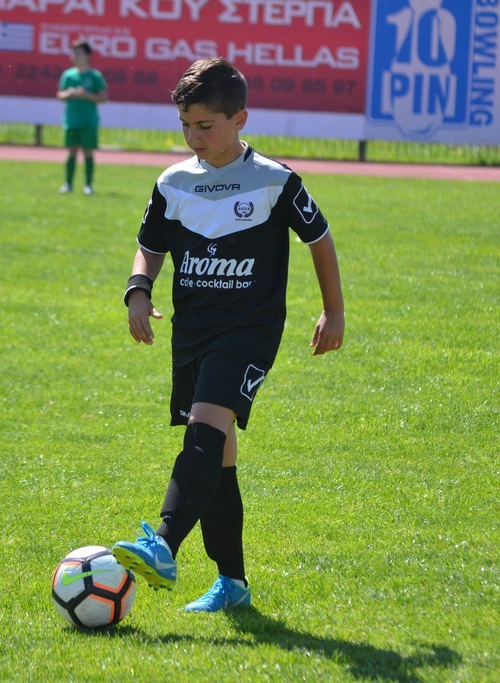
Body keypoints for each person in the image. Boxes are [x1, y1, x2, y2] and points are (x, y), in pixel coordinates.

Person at [112, 57, 345, 613]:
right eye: (184, 125)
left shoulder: (275, 180)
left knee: (204, 429)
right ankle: (232, 583)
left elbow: (319, 238)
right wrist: (138, 289)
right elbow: (150, 244)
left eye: (205, 125)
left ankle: (163, 543)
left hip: (248, 330)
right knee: (217, 457)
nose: (193, 136)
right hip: (193, 330)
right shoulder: (172, 181)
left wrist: (333, 311)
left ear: (239, 119)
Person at [56, 41, 108, 196]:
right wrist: (69, 93)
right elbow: (60, 95)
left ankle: (88, 185)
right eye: (73, 53)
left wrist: (87, 95)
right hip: (71, 120)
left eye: (78, 53)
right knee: (71, 152)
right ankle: (68, 184)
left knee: (88, 153)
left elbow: (103, 97)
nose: (75, 56)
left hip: (88, 121)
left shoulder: (95, 76)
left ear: (88, 55)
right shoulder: (68, 75)